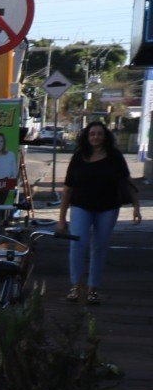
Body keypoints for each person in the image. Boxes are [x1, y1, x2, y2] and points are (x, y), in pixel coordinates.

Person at [57, 121, 141, 305]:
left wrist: (136, 206)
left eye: (99, 134)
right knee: (78, 244)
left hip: (108, 208)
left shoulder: (115, 156)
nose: (96, 137)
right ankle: (75, 286)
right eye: (92, 134)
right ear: (87, 137)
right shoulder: (79, 157)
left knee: (99, 247)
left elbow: (128, 182)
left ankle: (93, 289)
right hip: (80, 207)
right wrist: (62, 218)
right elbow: (68, 189)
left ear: (105, 137)